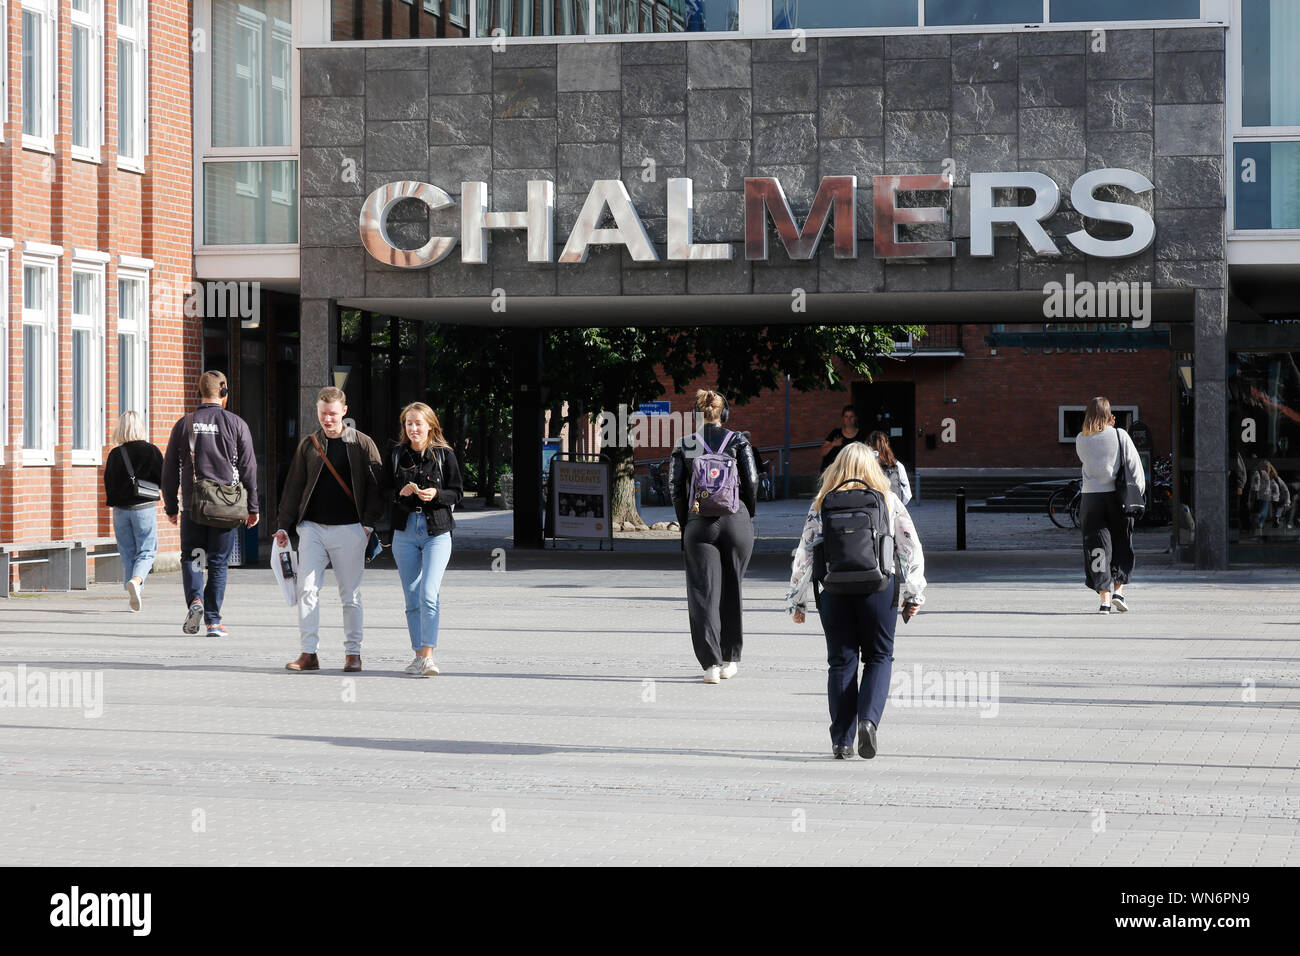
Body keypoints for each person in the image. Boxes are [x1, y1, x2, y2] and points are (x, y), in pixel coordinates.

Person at [786, 443, 927, 760]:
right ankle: (868, 721)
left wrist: (797, 601)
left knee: (840, 661)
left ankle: (842, 741)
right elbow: (910, 548)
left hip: (834, 591)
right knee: (879, 656)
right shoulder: (888, 501)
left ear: (837, 468)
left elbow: (805, 552)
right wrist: (914, 593)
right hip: (879, 589)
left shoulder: (821, 503)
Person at [275, 387, 384, 673]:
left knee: (350, 595)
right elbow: (294, 486)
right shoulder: (309, 445)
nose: (328, 419)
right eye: (323, 414)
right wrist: (284, 526)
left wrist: (369, 523)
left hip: (351, 529)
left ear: (344, 411)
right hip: (312, 528)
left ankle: (353, 653)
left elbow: (377, 487)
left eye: (333, 414)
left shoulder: (362, 444)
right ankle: (309, 653)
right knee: (307, 588)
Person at [670, 389, 759, 683]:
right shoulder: (739, 441)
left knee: (702, 593)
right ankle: (731, 659)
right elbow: (753, 481)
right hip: (736, 519)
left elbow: (675, 489)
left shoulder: (685, 445)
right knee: (732, 587)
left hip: (700, 522)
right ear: (725, 412)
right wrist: (747, 513)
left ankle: (710, 665)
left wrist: (687, 525)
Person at [162, 371, 259, 637]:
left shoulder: (185, 424)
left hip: (193, 505)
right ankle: (213, 621)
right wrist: (253, 507)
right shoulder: (236, 424)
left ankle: (195, 600)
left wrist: (171, 506)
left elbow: (169, 469)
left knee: (192, 557)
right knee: (217, 562)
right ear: (224, 393)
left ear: (199, 392)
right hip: (225, 507)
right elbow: (249, 467)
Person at [385, 402, 463, 677]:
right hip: (405, 531)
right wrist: (401, 493)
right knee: (411, 597)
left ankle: (428, 657)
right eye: (409, 423)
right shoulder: (396, 454)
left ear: (430, 425)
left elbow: (457, 493)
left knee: (428, 592)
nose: (414, 428)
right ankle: (417, 655)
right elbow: (385, 490)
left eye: (419, 423)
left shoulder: (444, 455)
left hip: (437, 531)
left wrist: (437, 495)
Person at [1075, 397, 1144, 614]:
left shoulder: (1080, 439)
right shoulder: (1119, 434)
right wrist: (1139, 494)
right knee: (1122, 542)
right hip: (1117, 497)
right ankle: (1118, 591)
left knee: (1097, 547)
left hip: (1091, 499)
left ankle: (1104, 600)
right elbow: (1134, 466)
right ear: (1108, 414)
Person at [103, 410, 163, 612]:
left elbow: (108, 483)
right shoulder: (152, 451)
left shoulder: (114, 454)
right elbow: (162, 479)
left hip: (120, 510)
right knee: (147, 550)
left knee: (127, 552)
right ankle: (136, 582)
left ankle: (133, 592)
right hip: (144, 508)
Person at [867, 430, 912, 505]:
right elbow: (907, 494)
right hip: (893, 509)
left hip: (871, 509)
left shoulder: (864, 463)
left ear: (869, 445)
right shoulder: (896, 464)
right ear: (887, 444)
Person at [819, 404, 864, 472]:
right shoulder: (835, 433)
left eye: (851, 416)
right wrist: (833, 444)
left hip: (854, 472)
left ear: (855, 418)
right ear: (843, 418)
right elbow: (822, 452)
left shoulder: (861, 435)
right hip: (833, 473)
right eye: (846, 416)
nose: (848, 419)